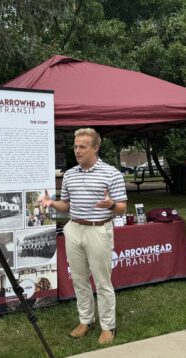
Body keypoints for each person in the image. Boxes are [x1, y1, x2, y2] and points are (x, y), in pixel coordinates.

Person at [40, 128, 127, 345]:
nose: (77, 151)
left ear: (95, 148)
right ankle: (86, 320)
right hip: (74, 228)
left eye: (82, 147)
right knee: (79, 279)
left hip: (98, 229)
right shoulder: (69, 174)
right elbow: (66, 206)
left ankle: (108, 326)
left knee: (102, 280)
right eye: (75, 146)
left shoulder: (112, 173)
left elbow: (122, 209)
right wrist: (52, 204)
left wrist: (112, 205)